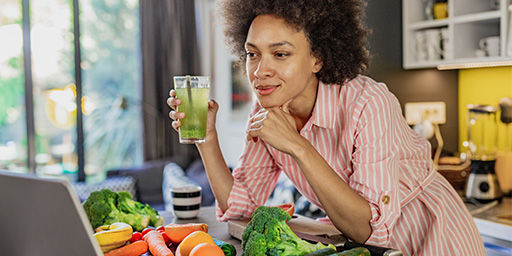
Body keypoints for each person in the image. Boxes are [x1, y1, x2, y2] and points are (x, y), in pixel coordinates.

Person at [168, 0, 485, 255]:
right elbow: (241, 206)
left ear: (317, 57)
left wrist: (296, 145)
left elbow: (368, 227)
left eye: (280, 54)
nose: (260, 71)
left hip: (433, 234)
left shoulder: (368, 103)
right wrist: (207, 139)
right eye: (253, 54)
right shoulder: (266, 109)